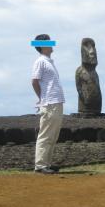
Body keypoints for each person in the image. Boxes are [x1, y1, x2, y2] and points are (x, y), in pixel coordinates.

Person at [31, 34, 65, 174]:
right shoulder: (40, 61)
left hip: (56, 102)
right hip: (49, 102)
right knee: (45, 134)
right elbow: (34, 81)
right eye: (48, 41)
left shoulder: (49, 61)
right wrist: (42, 98)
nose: (52, 44)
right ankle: (40, 166)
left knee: (53, 135)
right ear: (42, 45)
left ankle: (46, 164)